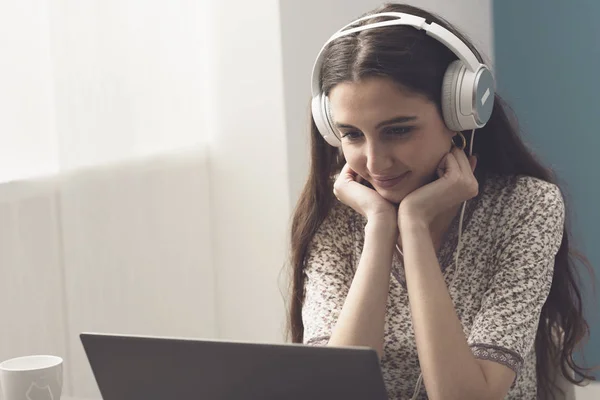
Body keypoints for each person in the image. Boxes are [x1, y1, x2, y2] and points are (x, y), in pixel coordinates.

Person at [288, 3, 596, 399]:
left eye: (398, 130)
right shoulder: (339, 214)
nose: (375, 161)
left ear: (460, 112)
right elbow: (337, 392)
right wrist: (380, 227)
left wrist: (413, 225)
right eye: (351, 134)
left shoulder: (526, 205)